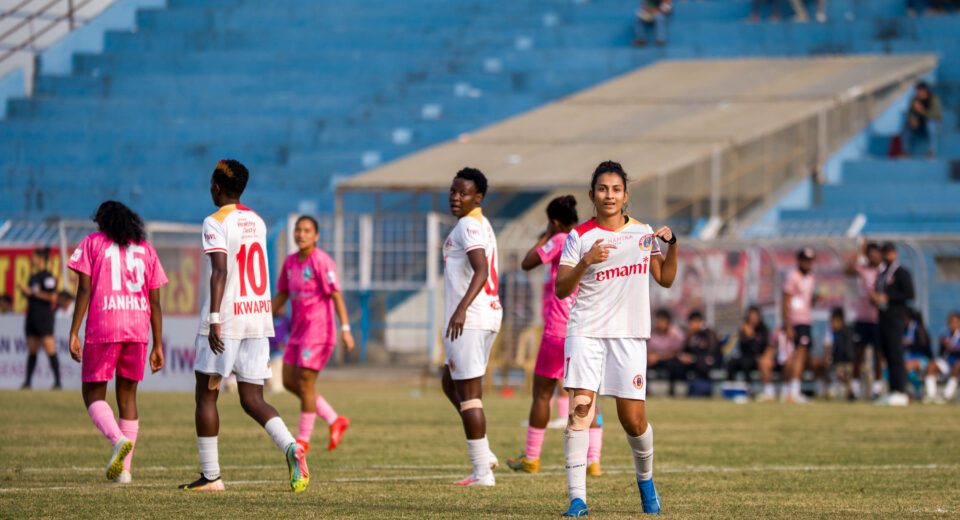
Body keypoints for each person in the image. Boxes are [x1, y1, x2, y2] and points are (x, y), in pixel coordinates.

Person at [555, 160, 678, 516]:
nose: (609, 195)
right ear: (592, 194)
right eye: (603, 189)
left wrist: (674, 246)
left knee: (633, 420)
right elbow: (562, 289)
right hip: (586, 331)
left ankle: (646, 481)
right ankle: (578, 500)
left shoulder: (642, 233)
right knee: (580, 410)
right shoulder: (579, 237)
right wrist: (585, 262)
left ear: (625, 195)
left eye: (616, 189)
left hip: (628, 335)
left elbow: (665, 279)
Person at [180, 159, 308, 492]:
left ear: (217, 187)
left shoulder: (214, 221)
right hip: (258, 317)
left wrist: (214, 319)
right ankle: (292, 447)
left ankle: (211, 477)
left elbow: (220, 272)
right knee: (253, 398)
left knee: (206, 396)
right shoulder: (257, 220)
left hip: (228, 320)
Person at [66, 201, 167, 484]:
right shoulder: (146, 249)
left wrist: (74, 331)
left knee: (92, 395)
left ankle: (116, 439)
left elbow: (84, 288)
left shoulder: (92, 243)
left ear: (102, 222)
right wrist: (158, 344)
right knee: (128, 399)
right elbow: (155, 302)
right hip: (138, 329)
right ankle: (124, 471)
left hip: (105, 325)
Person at [506, 195, 605, 477]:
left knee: (541, 394)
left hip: (557, 330)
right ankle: (593, 461)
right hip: (585, 329)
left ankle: (532, 458)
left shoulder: (559, 240)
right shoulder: (584, 239)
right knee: (588, 397)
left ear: (555, 222)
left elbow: (527, 263)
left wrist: (547, 235)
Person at [439, 167, 503, 487]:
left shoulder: (467, 224)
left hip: (472, 318)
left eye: (463, 193)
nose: (455, 197)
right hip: (486, 315)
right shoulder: (480, 223)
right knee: (450, 384)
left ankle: (482, 472)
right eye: (453, 191)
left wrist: (461, 309)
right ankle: (485, 452)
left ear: (477, 198)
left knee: (469, 395)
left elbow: (480, 269)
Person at [272, 215, 355, 453]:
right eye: (298, 230)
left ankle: (303, 441)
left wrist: (346, 329)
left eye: (307, 230)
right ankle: (334, 419)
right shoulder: (289, 263)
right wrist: (263, 316)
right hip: (297, 332)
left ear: (316, 236)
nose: (301, 234)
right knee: (289, 381)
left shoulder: (322, 261)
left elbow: (336, 296)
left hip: (318, 332)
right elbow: (282, 295)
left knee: (306, 384)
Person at [871, 242, 914, 406]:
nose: (887, 255)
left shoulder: (901, 273)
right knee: (887, 355)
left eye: (890, 252)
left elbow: (909, 294)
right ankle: (892, 390)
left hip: (896, 319)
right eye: (885, 252)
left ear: (894, 253)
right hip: (883, 318)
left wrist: (889, 298)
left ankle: (900, 391)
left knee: (896, 355)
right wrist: (875, 298)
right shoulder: (882, 273)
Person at [846, 241, 884, 400]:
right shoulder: (862, 270)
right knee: (858, 354)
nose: (874, 256)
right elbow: (847, 269)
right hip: (862, 318)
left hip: (877, 319)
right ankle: (853, 390)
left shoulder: (882, 271)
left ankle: (876, 389)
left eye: (877, 253)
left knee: (878, 354)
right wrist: (859, 252)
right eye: (871, 253)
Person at [19, 248, 61, 389]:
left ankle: (57, 382)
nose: (32, 259)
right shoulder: (33, 277)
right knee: (32, 350)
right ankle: (28, 382)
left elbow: (53, 297)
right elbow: (31, 294)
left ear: (41, 259)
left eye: (34, 257)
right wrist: (25, 292)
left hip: (44, 318)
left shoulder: (48, 277)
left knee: (50, 348)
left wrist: (33, 292)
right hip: (32, 317)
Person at [781, 248, 816, 404]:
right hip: (795, 321)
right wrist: (787, 324)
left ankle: (789, 390)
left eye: (810, 260)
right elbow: (786, 300)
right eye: (805, 260)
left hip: (806, 320)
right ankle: (793, 391)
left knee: (801, 356)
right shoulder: (792, 277)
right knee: (796, 356)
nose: (807, 263)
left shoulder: (811, 278)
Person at [727, 306, 770, 392]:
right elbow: (742, 348)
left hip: (757, 358)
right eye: (750, 317)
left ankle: (748, 390)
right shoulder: (744, 329)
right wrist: (744, 335)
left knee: (746, 363)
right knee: (731, 363)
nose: (752, 319)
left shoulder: (763, 329)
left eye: (754, 316)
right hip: (744, 356)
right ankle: (731, 388)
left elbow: (758, 349)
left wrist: (751, 336)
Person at [677, 311, 721, 396]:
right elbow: (684, 352)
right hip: (694, 368)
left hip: (707, 369)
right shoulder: (692, 336)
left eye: (692, 323)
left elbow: (710, 357)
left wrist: (693, 359)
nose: (690, 326)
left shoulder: (709, 334)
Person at [647, 309, 686, 396]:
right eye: (658, 321)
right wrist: (651, 356)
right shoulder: (652, 333)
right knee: (643, 363)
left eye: (662, 321)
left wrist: (659, 357)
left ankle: (672, 390)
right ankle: (645, 390)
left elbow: (676, 352)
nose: (659, 323)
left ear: (668, 322)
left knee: (674, 365)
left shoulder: (676, 333)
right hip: (655, 360)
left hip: (670, 360)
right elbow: (648, 350)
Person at [924, 311, 960, 403]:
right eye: (950, 322)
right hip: (948, 364)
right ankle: (931, 396)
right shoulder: (945, 336)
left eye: (954, 322)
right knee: (931, 366)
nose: (951, 324)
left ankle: (947, 395)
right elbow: (941, 355)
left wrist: (952, 347)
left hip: (957, 364)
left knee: (957, 365)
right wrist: (943, 344)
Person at [901, 81, 943, 158]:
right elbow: (908, 114)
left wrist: (922, 111)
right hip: (920, 126)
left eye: (919, 90)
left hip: (934, 125)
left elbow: (935, 115)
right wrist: (911, 121)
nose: (917, 92)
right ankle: (906, 151)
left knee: (930, 123)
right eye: (917, 90)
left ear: (925, 91)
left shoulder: (933, 99)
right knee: (906, 126)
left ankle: (931, 151)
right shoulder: (914, 100)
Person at [823, 307, 855, 400]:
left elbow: (849, 350)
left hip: (847, 360)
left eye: (835, 321)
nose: (833, 324)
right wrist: (828, 358)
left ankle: (850, 393)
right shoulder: (830, 332)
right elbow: (827, 347)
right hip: (836, 361)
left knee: (847, 375)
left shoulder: (848, 332)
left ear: (841, 321)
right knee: (835, 374)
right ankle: (831, 391)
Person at [902, 309, 932, 399]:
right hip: (907, 359)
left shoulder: (918, 329)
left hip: (922, 359)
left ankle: (917, 392)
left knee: (907, 367)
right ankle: (911, 392)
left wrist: (910, 343)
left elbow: (924, 345)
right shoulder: (903, 330)